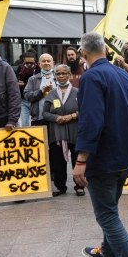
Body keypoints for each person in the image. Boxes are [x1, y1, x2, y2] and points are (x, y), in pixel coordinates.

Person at [74, 32, 128, 257]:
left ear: (83, 54)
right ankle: (108, 251)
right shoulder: (121, 74)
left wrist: (81, 160)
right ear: (105, 49)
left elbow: (91, 121)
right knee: (111, 207)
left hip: (104, 156)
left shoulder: (91, 77)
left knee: (107, 214)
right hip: (124, 154)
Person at [43, 64, 84, 196]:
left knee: (77, 159)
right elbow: (45, 113)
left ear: (69, 75)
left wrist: (72, 116)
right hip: (57, 132)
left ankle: (79, 185)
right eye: (58, 74)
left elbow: (85, 111)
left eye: (64, 73)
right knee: (58, 160)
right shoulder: (51, 93)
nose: (61, 76)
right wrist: (56, 118)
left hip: (75, 131)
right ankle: (60, 186)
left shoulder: (78, 92)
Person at [24, 53, 57, 128]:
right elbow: (27, 95)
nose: (46, 63)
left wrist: (53, 91)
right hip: (38, 118)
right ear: (39, 64)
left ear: (53, 63)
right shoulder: (33, 79)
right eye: (44, 61)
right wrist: (41, 91)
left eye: (48, 61)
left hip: (56, 118)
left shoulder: (59, 78)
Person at [16, 49, 39, 127]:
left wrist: (24, 84)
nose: (29, 65)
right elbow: (16, 80)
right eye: (27, 63)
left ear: (35, 61)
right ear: (23, 60)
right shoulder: (20, 68)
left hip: (34, 99)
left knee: (36, 123)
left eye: (31, 63)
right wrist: (18, 84)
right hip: (23, 99)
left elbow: (37, 84)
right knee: (25, 123)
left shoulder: (38, 69)